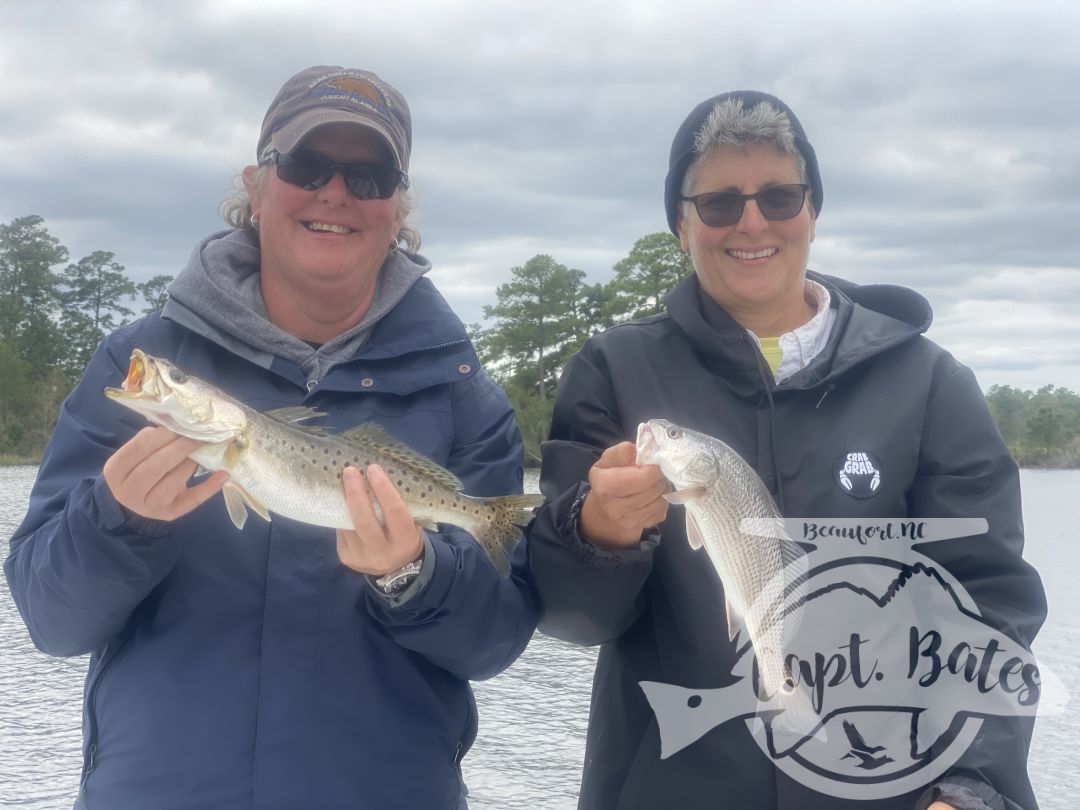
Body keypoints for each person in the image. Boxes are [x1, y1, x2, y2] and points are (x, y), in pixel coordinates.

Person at [4, 65, 536, 810]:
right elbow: (50, 620)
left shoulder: (462, 396)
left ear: (398, 209)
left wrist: (413, 576)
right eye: (307, 165)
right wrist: (117, 524)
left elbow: (495, 641)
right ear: (255, 189)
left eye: (370, 174)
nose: (335, 192)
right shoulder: (134, 369)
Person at [528, 90, 1047, 810]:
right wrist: (597, 536)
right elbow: (572, 618)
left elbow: (989, 604)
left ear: (812, 212)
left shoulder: (929, 383)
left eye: (779, 196)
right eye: (719, 203)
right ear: (682, 224)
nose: (751, 222)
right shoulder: (614, 372)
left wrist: (971, 786)